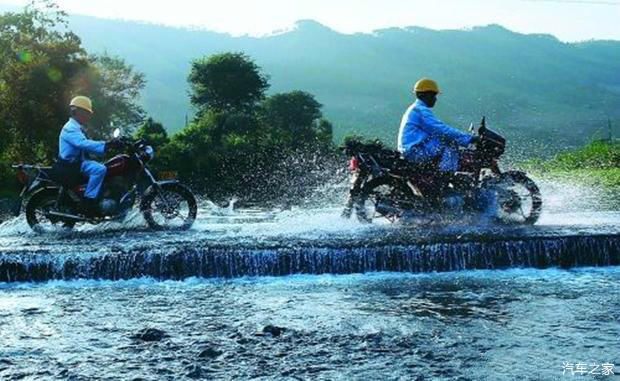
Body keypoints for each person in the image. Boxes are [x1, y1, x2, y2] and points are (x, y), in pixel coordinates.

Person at [398, 78, 478, 174]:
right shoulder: (420, 110)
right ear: (426, 95)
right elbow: (441, 130)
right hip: (415, 151)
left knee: (444, 140)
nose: (435, 99)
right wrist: (470, 138)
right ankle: (446, 175)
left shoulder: (415, 109)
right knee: (450, 142)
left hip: (412, 150)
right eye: (433, 95)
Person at [57, 96, 121, 216]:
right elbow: (82, 143)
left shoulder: (77, 127)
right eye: (86, 112)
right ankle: (89, 201)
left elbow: (88, 144)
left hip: (77, 162)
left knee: (102, 165)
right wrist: (106, 145)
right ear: (76, 112)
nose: (88, 116)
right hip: (71, 165)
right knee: (100, 169)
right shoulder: (70, 128)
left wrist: (108, 145)